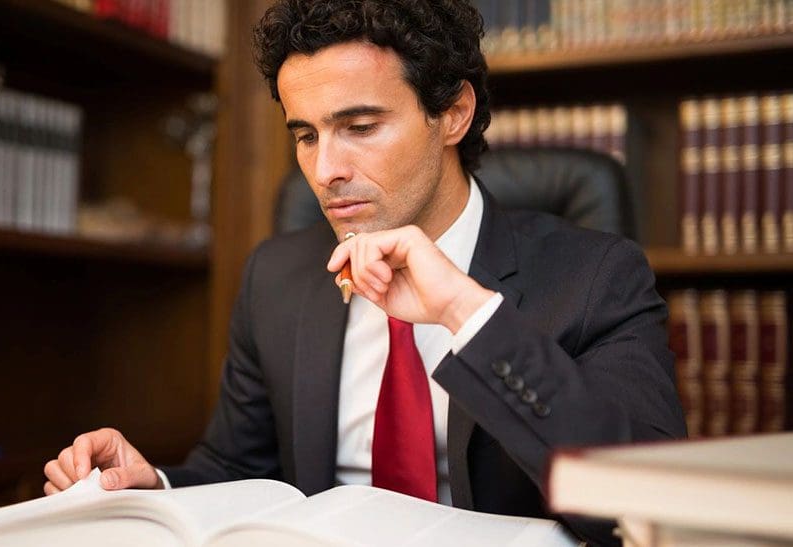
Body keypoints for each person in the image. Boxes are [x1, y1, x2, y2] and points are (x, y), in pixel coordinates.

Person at [44, 1, 686, 544]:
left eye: (359, 126)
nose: (326, 171)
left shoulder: (597, 275)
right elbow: (239, 471)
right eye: (306, 136)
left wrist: (467, 313)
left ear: (453, 114)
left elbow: (644, 501)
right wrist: (150, 485)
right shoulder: (276, 277)